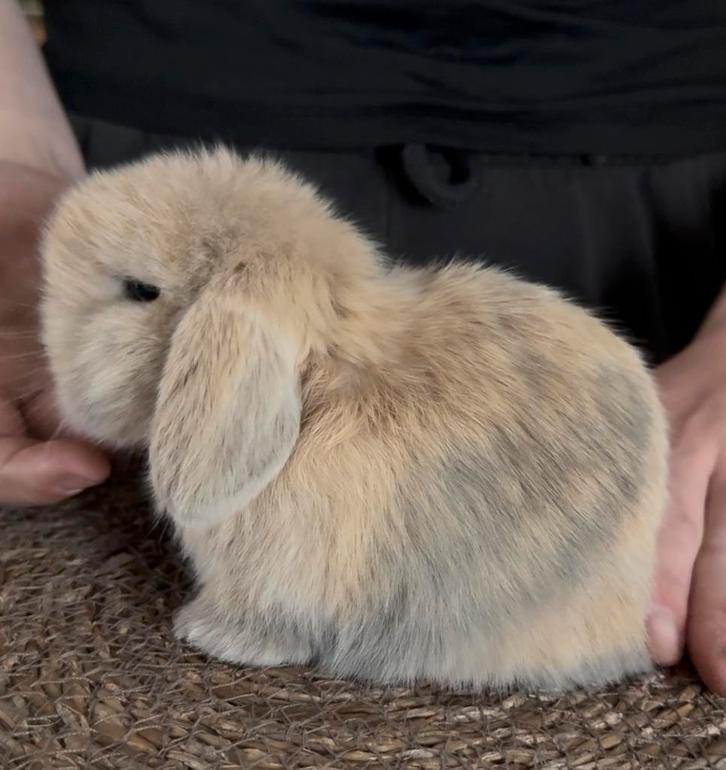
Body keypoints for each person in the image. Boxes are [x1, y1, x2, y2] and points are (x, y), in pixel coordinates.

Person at [2, 0, 726, 691]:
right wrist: (15, 176)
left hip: (676, 218)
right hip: (110, 141)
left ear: (227, 347)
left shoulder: (239, 368)